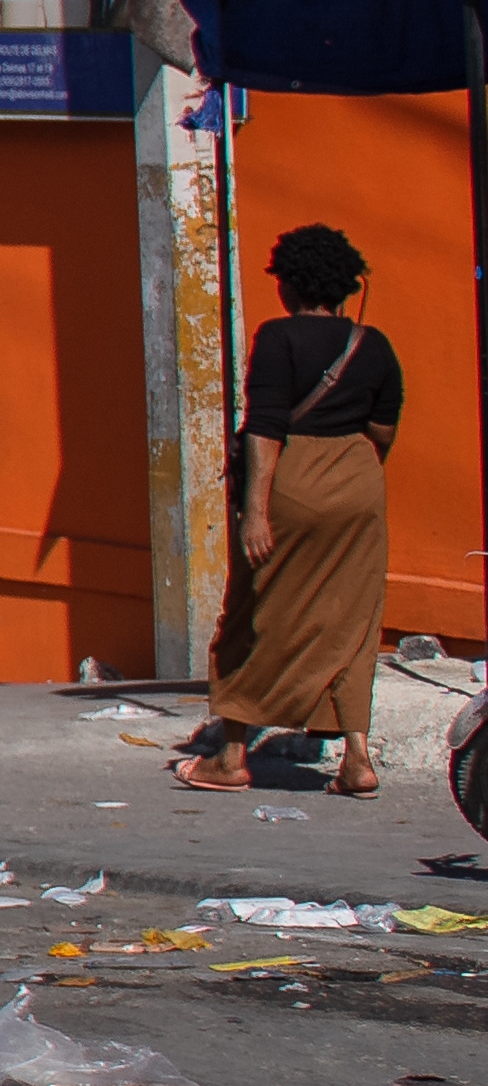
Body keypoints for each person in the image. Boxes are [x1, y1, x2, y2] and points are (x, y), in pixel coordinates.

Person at [177, 223, 400, 796]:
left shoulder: (277, 337)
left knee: (255, 613)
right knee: (353, 622)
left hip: (290, 482)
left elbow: (266, 425)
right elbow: (383, 427)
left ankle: (230, 757)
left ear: (291, 285)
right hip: (358, 484)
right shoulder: (373, 344)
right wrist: (349, 469)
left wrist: (255, 511)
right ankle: (356, 760)